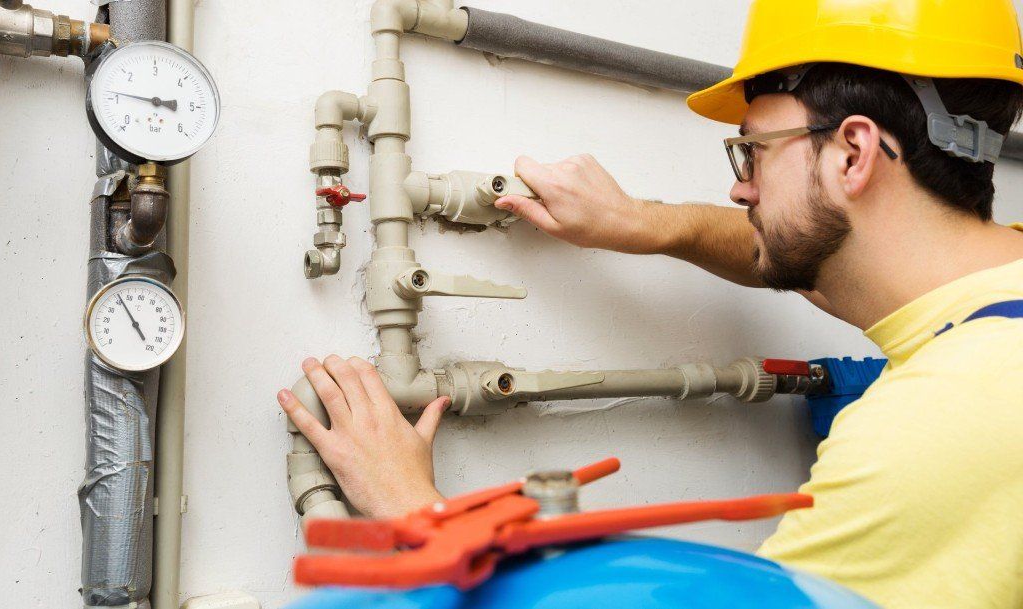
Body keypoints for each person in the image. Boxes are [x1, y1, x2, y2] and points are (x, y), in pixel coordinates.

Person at [277, 1, 1023, 606]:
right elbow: (824, 254)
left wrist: (414, 511)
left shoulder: (934, 428)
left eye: (753, 151)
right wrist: (641, 224)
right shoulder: (992, 293)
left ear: (853, 153)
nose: (740, 187)